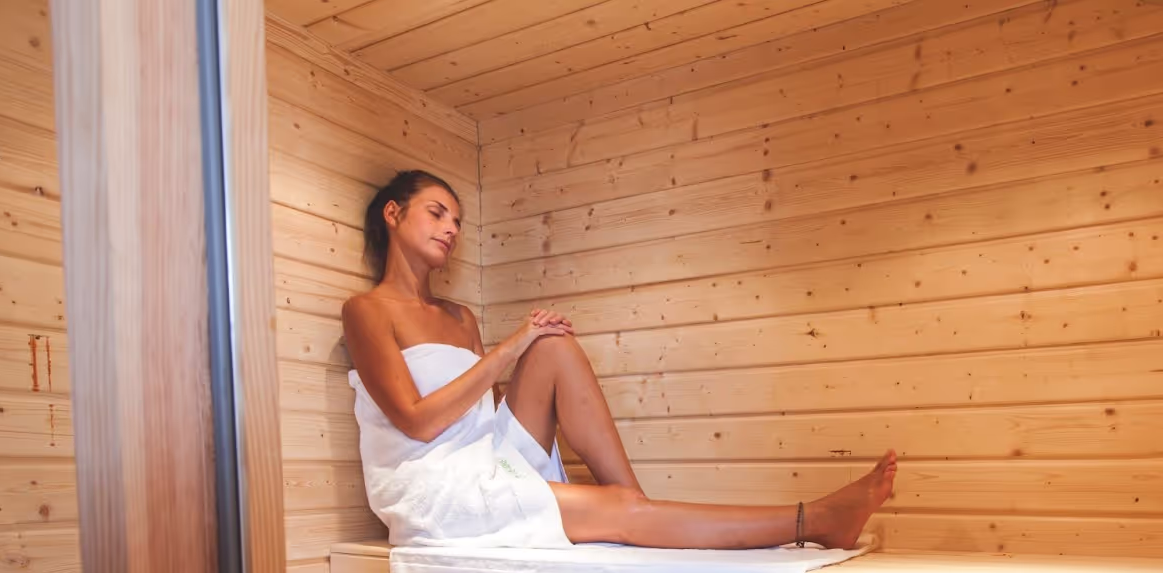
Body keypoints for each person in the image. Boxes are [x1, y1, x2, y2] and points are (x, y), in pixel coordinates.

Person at [342, 169, 897, 550]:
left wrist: (527, 347)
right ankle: (814, 521)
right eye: (438, 213)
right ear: (393, 214)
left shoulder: (460, 316)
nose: (452, 229)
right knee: (533, 346)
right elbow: (415, 420)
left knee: (554, 347)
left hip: (481, 461)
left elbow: (480, 416)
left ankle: (634, 506)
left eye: (458, 221)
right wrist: (510, 347)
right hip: (433, 489)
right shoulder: (366, 311)